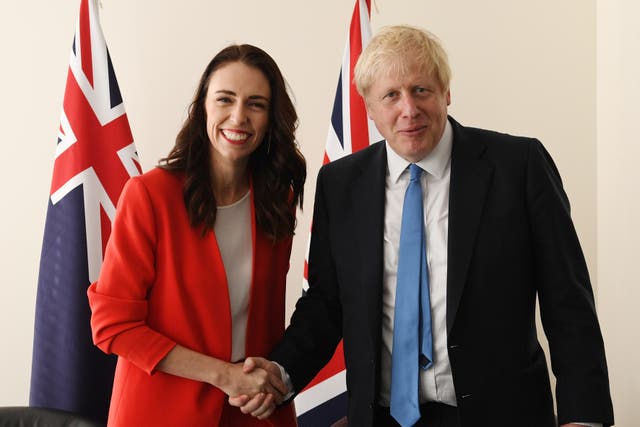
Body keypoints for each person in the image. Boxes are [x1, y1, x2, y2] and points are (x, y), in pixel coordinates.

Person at [232, 25, 614, 427]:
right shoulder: (341, 184)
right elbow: (327, 302)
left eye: (421, 90)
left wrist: (583, 416)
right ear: (369, 108)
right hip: (382, 417)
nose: (409, 110)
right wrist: (282, 370)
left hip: (501, 413)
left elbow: (568, 304)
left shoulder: (518, 167)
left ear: (446, 93)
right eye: (391, 95)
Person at [87, 44, 305, 426]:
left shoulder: (277, 201)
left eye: (256, 104)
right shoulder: (149, 196)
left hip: (252, 412)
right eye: (225, 99)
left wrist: (271, 381)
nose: (239, 117)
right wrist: (223, 374)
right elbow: (112, 325)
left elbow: (267, 321)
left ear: (271, 118)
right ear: (203, 106)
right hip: (160, 412)